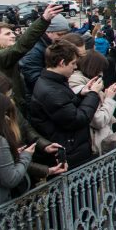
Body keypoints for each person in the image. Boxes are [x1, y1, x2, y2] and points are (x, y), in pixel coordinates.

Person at [27, 41, 103, 169]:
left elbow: (65, 108)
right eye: (73, 63)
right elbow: (77, 119)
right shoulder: (52, 91)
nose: (75, 68)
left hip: (72, 148)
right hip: (70, 152)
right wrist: (93, 94)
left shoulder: (53, 82)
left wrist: (82, 94)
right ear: (62, 63)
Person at [69, 50, 116, 155]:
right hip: (94, 144)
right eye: (99, 70)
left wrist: (105, 95)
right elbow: (98, 120)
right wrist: (109, 99)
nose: (101, 74)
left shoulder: (87, 81)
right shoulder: (79, 85)